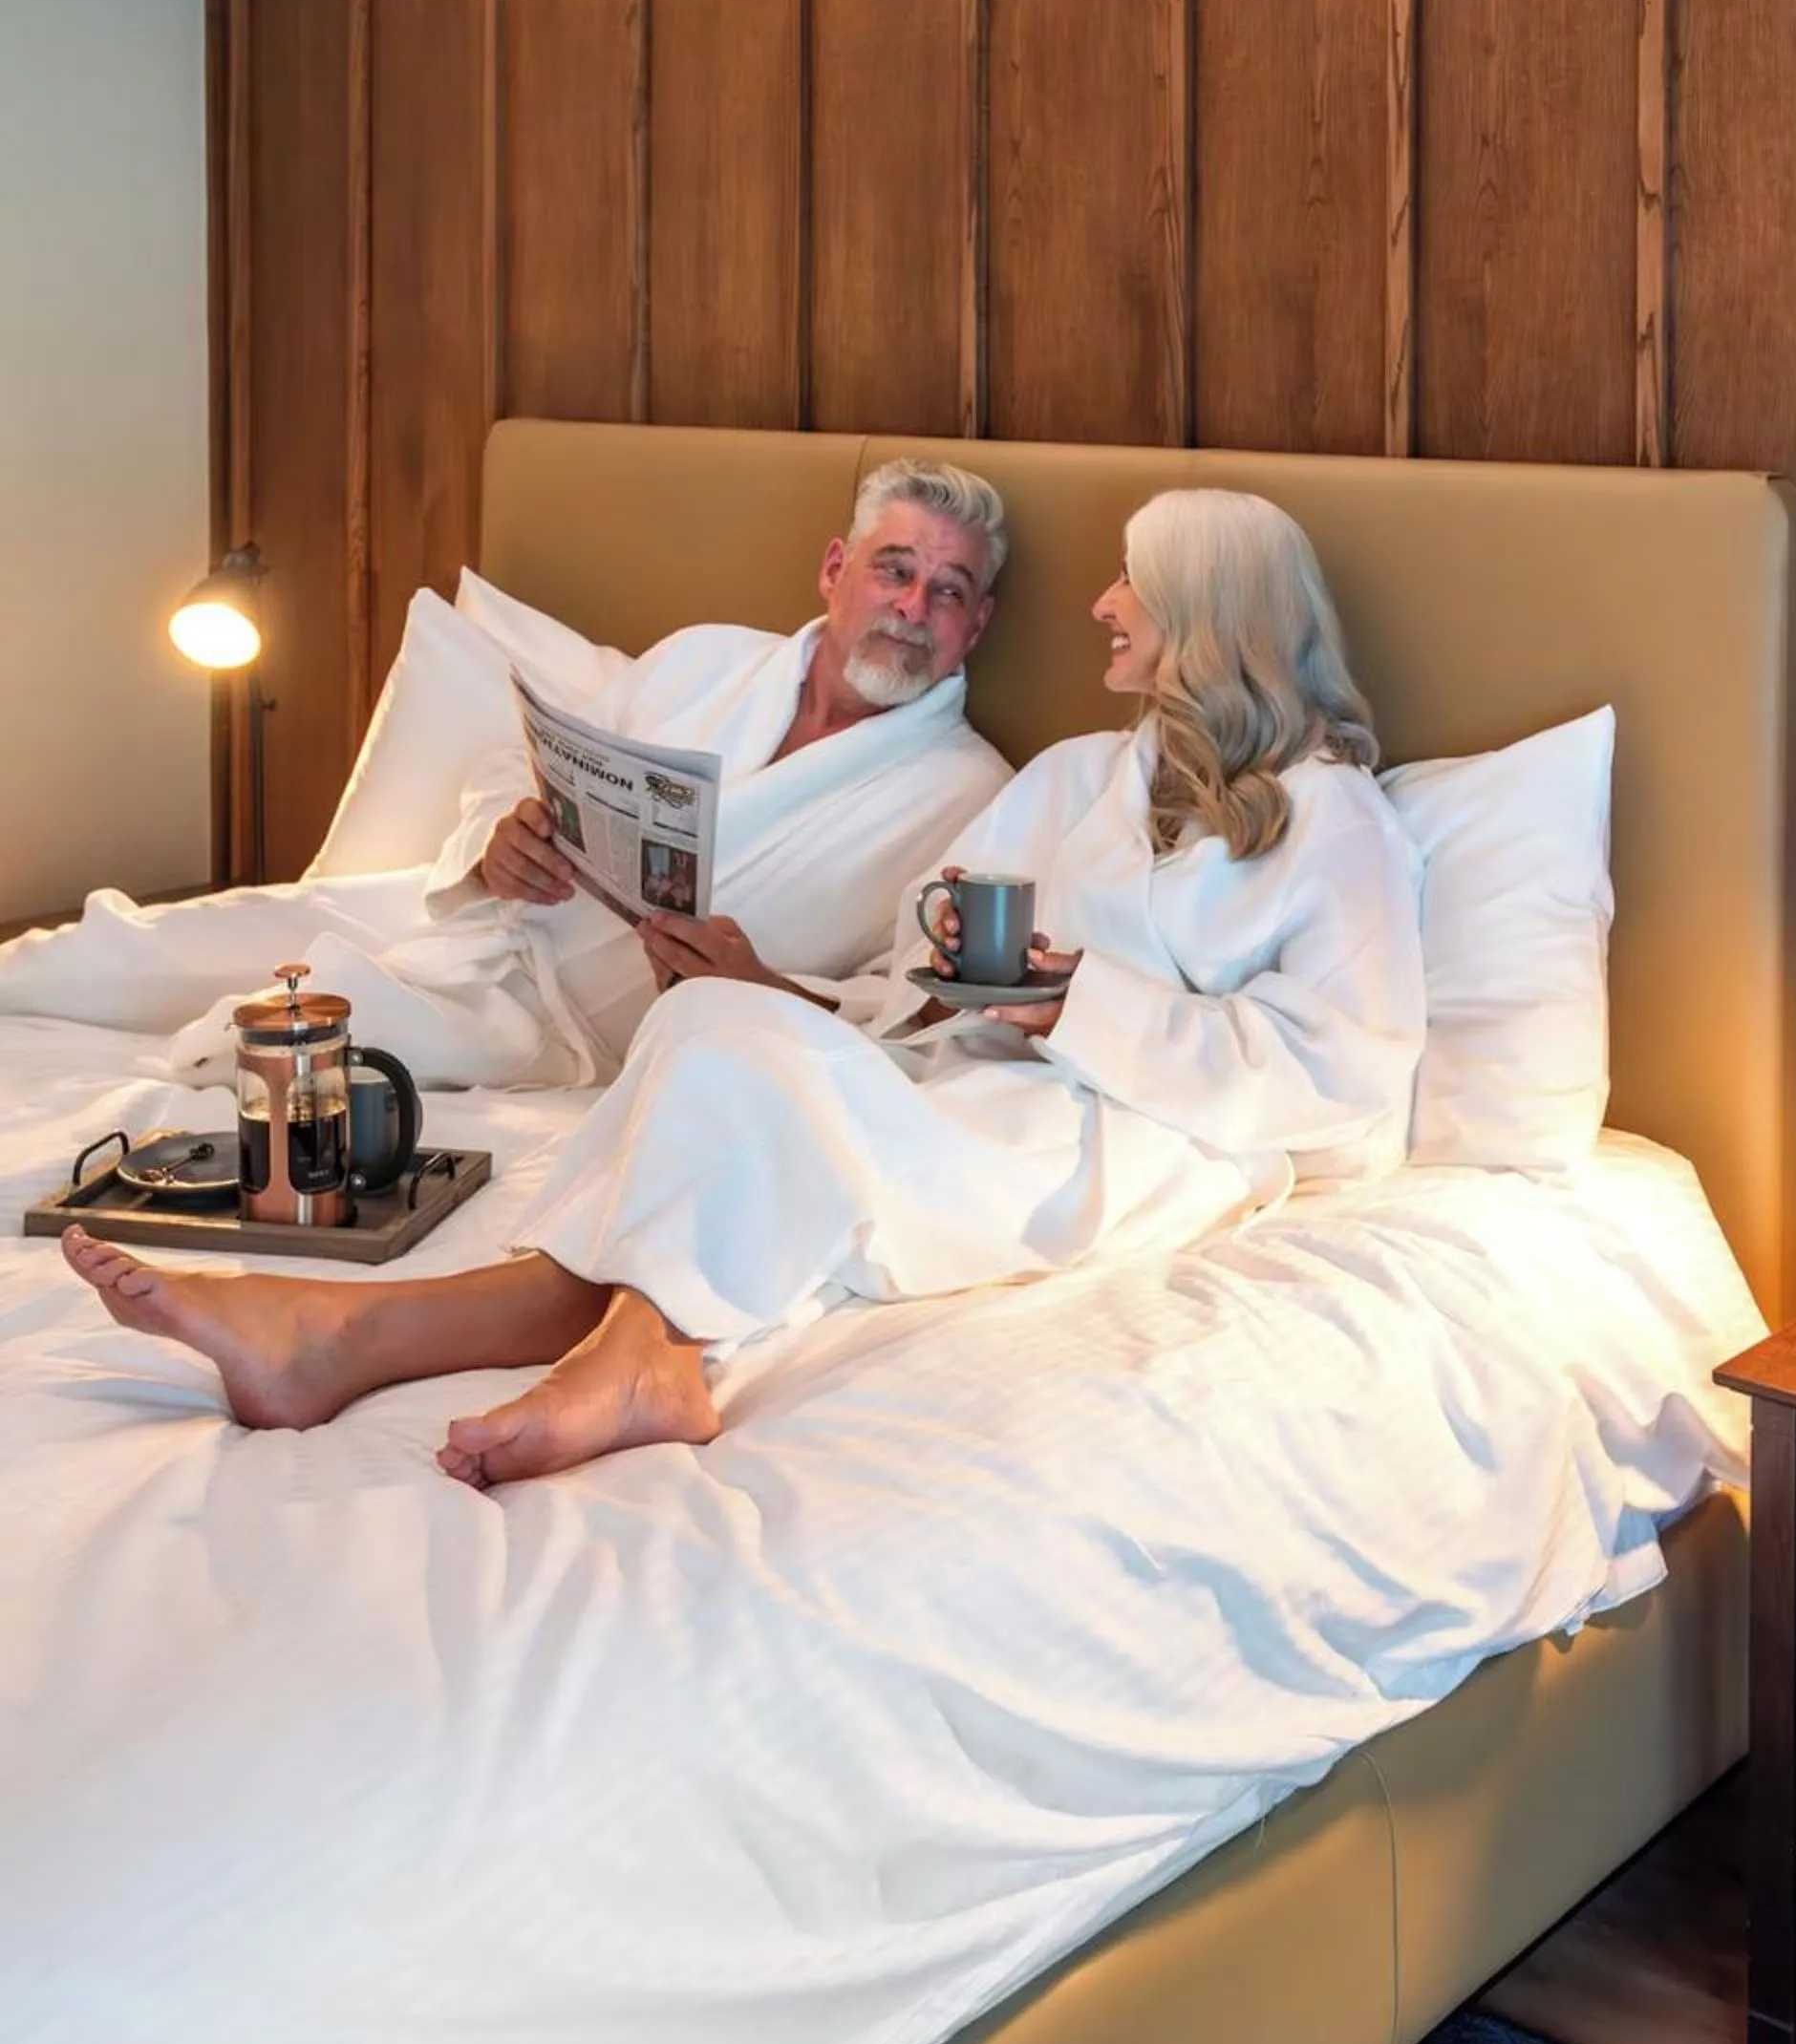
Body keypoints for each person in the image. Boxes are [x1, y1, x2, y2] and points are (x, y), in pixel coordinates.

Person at [63, 490, 1427, 1484]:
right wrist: (920, 983)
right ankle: (610, 1352)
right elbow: (911, 973)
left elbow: (1352, 1078)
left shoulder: (1332, 821)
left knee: (746, 1075)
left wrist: (1090, 1009)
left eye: (1131, 581)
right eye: (894, 572)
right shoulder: (1080, 774)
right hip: (969, 1078)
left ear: (1208, 614)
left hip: (1127, 1135)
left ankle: (363, 1333)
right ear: (836, 569)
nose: (1102, 605)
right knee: (719, 1023)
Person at [0, 460, 1012, 1087]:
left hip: (554, 1039)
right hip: (471, 925)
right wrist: (502, 836)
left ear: (977, 626)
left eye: (948, 589)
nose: (911, 606)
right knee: (110, 953)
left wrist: (766, 991)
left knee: (266, 1040)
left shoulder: (968, 795)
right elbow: (514, 761)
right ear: (835, 570)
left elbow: (919, 1015)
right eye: (894, 568)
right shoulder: (706, 659)